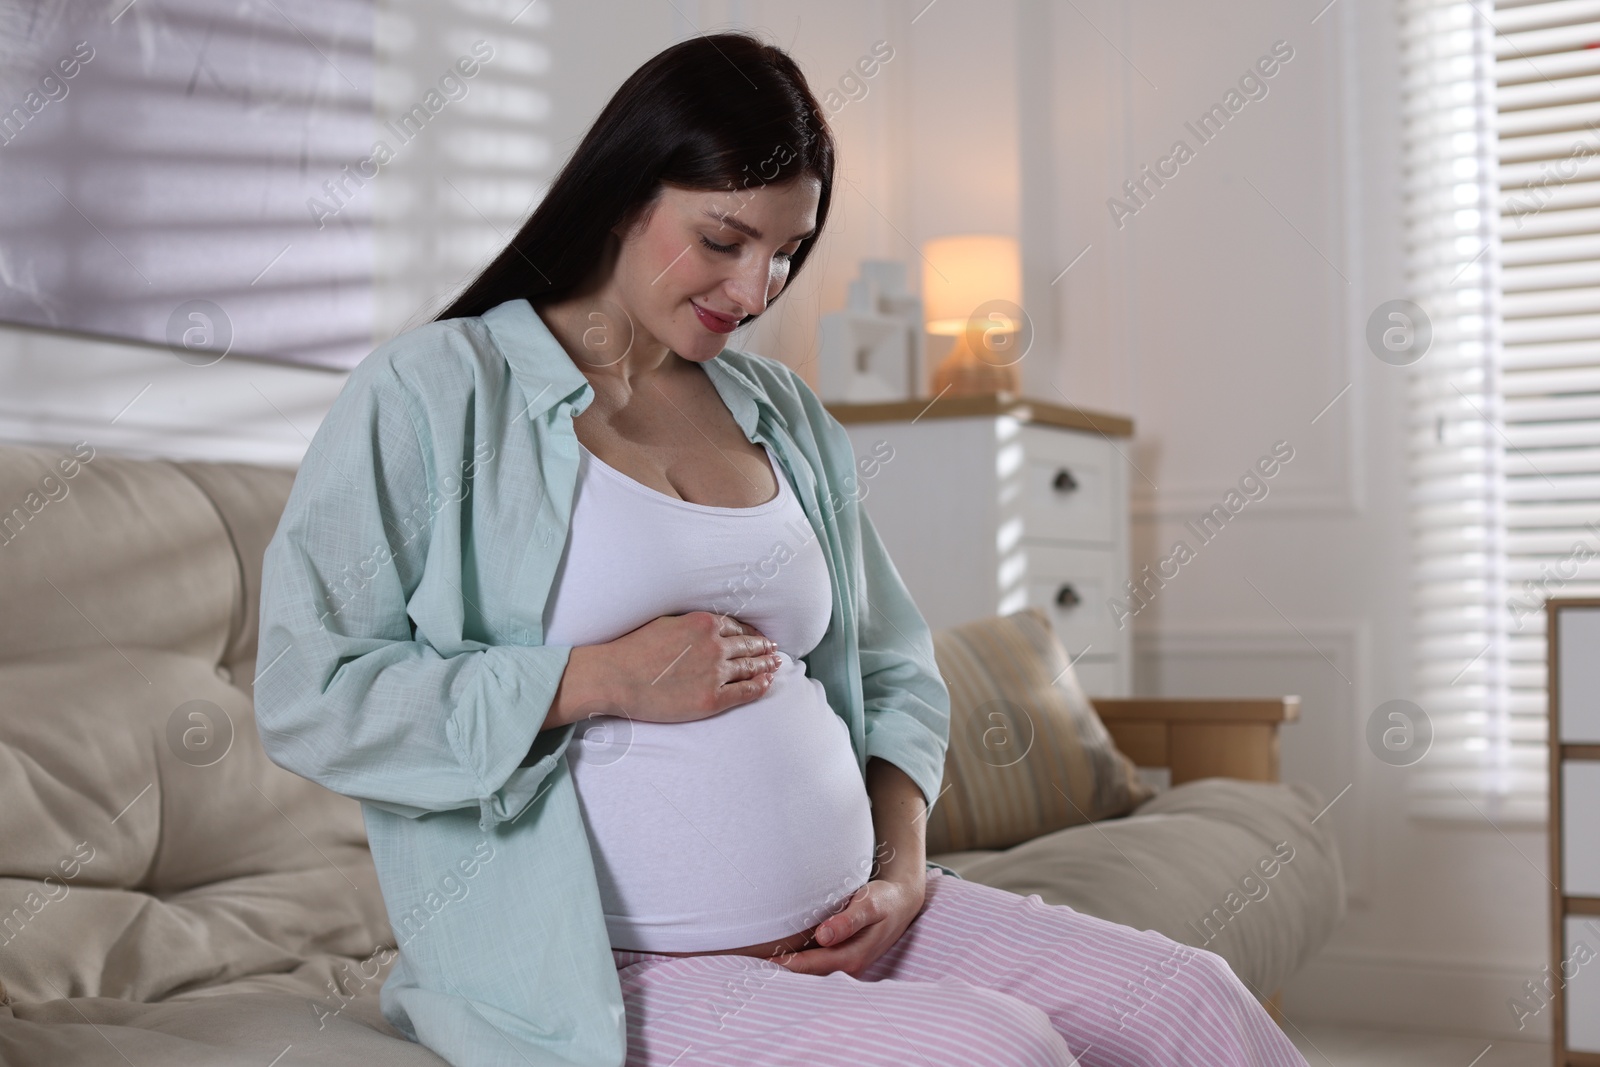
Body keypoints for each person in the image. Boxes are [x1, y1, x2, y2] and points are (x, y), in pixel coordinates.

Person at [254, 29, 1310, 1067]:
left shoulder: (779, 409)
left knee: (1190, 1002)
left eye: (787, 252)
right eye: (723, 240)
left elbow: (896, 668)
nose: (756, 291)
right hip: (606, 970)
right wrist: (592, 678)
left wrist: (898, 875)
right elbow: (313, 690)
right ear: (624, 195)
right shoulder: (438, 390)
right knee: (992, 1049)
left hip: (865, 919)